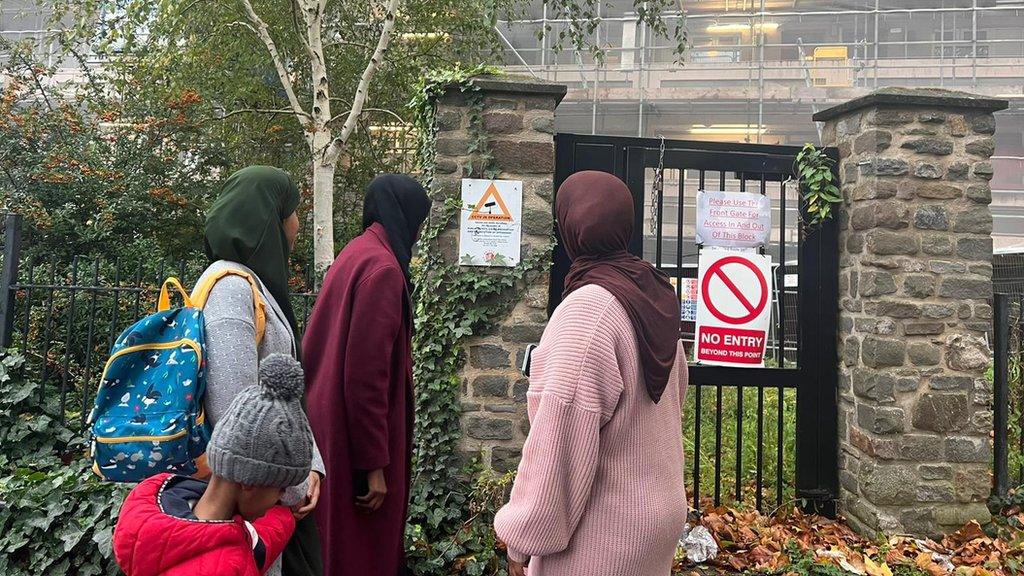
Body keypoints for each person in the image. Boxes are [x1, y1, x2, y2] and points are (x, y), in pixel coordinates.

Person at [494, 171, 689, 576]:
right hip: (655, 523)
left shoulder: (589, 310)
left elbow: (561, 435)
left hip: (603, 533)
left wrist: (522, 538)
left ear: (568, 226)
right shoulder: (652, 297)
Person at [197, 166, 325, 576]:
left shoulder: (256, 285)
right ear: (269, 217)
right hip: (249, 498)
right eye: (294, 212)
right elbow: (235, 409)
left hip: (266, 491)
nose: (298, 225)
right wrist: (292, 482)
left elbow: (284, 396)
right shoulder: (231, 288)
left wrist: (313, 464)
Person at [303, 174, 431, 576]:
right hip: (354, 441)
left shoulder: (355, 254)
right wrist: (374, 464)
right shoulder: (384, 270)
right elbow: (365, 377)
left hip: (330, 426)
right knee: (362, 553)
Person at [113, 354, 315, 576]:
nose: (283, 496)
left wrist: (287, 514)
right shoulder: (227, 565)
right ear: (248, 483)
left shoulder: (159, 507)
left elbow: (258, 540)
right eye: (280, 489)